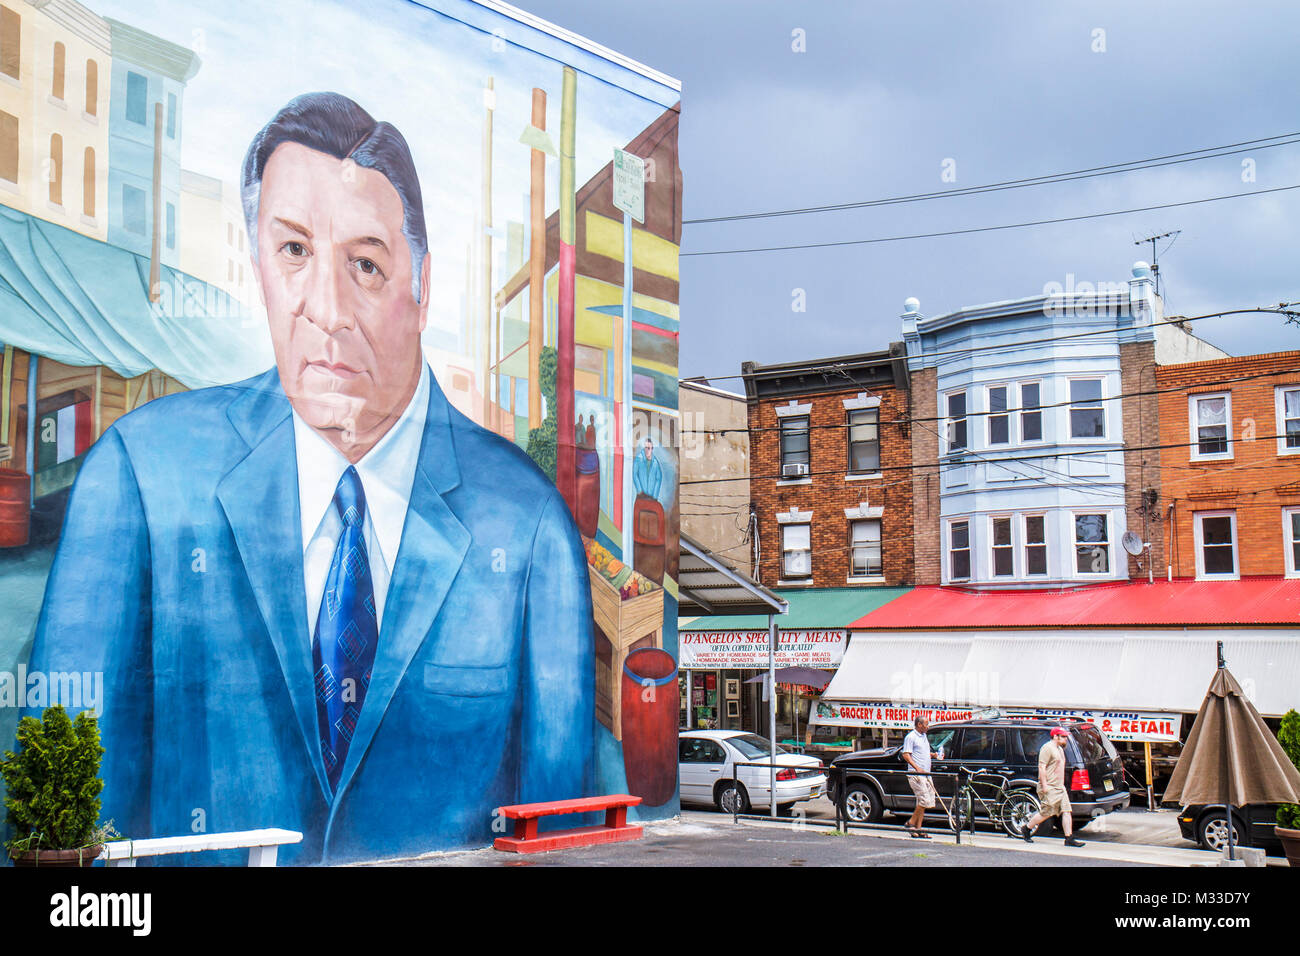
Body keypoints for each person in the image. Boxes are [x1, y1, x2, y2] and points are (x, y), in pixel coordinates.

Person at [26, 92, 594, 864]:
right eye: (293, 251)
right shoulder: (140, 478)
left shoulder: (526, 529)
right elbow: (59, 835)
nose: (325, 309)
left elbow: (566, 838)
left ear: (421, 287)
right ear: (258, 260)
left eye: (365, 264)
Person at [1020, 727, 1085, 847]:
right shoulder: (1047, 748)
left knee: (1066, 811)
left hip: (1059, 787)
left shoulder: (1059, 749)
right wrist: (1044, 785)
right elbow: (1042, 767)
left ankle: (1068, 838)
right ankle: (1027, 828)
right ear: (1056, 736)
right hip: (1050, 786)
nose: (1066, 738)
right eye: (1063, 736)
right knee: (1047, 812)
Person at [901, 716, 941, 838]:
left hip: (926, 773)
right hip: (917, 774)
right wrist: (916, 767)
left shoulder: (923, 736)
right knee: (924, 800)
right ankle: (911, 823)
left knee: (923, 802)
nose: (928, 727)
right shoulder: (911, 737)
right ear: (919, 724)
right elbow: (906, 754)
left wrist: (932, 755)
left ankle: (918, 829)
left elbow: (921, 752)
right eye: (926, 724)